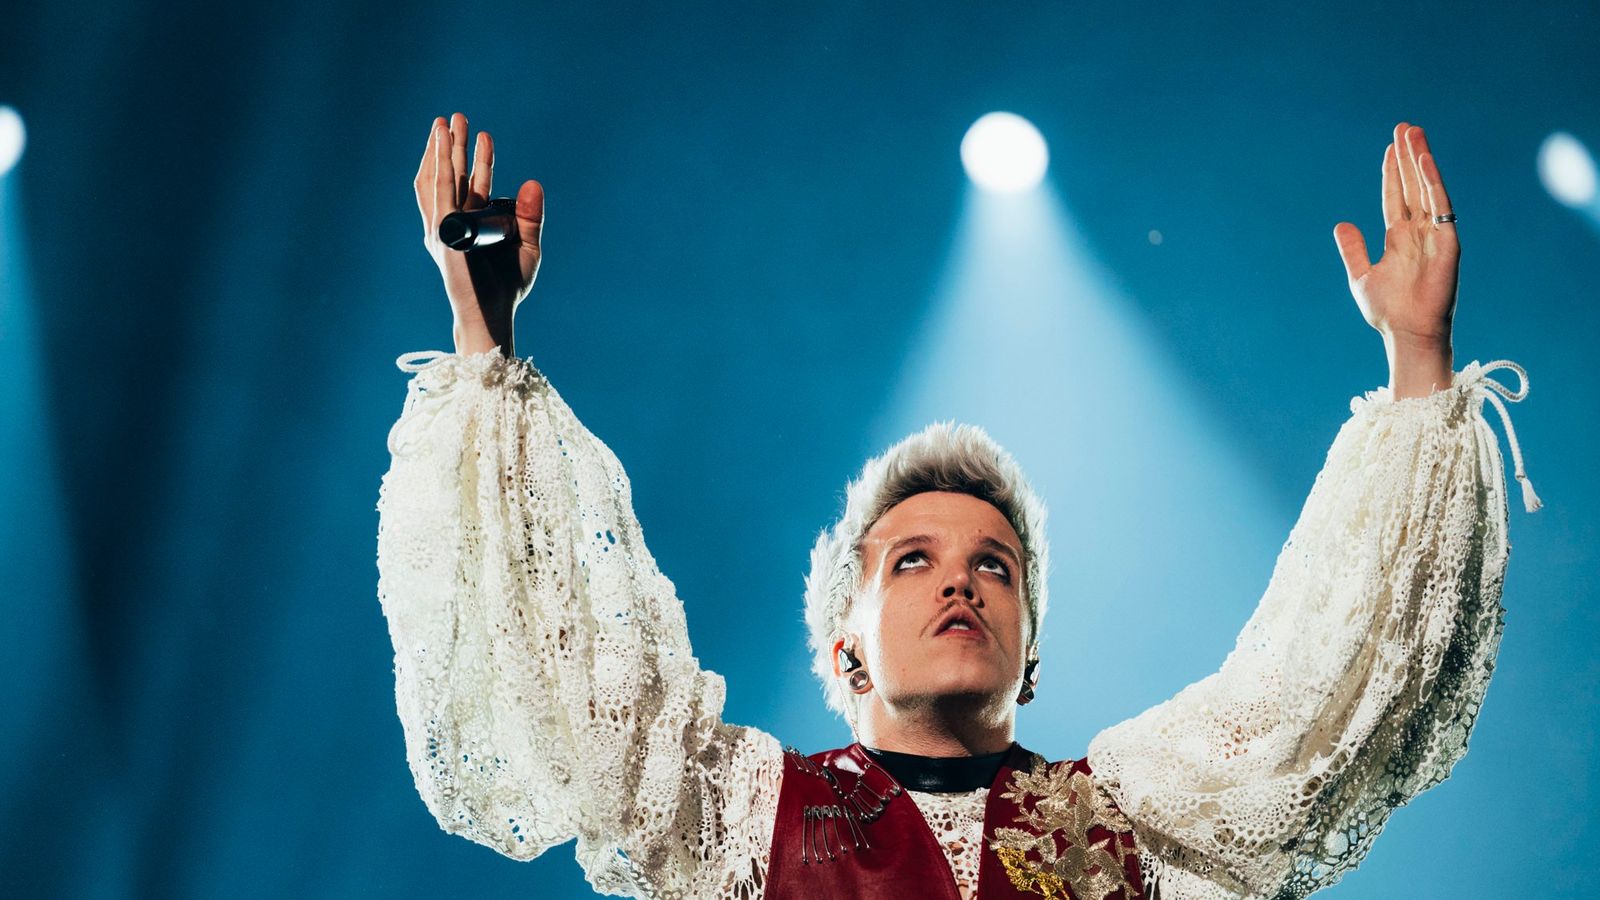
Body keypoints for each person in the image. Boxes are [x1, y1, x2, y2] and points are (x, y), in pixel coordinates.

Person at [375, 113, 1541, 899]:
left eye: (995, 566)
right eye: (913, 561)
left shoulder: (1130, 824)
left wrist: (1419, 360)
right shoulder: (732, 815)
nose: (959, 580)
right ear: (843, 642)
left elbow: (1326, 700)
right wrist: (482, 335)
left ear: (1031, 657)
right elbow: (558, 682)